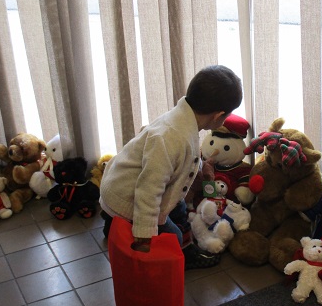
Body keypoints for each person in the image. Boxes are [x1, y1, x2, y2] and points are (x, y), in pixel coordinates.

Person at [100, 65, 243, 270]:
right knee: (173, 237)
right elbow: (148, 189)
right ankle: (120, 223)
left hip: (129, 181)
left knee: (180, 207)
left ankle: (181, 246)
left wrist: (201, 168)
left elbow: (183, 157)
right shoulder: (171, 137)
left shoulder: (184, 117)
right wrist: (143, 234)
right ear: (218, 116)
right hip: (125, 196)